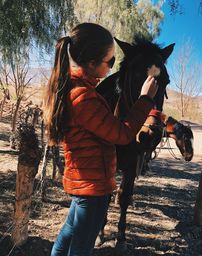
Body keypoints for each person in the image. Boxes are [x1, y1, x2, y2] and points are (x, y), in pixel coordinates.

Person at [43, 22, 158, 256]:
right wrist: (145, 99)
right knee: (81, 247)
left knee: (68, 233)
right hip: (93, 187)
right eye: (110, 62)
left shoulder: (75, 89)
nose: (112, 67)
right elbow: (123, 134)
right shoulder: (85, 97)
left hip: (84, 182)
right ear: (92, 63)